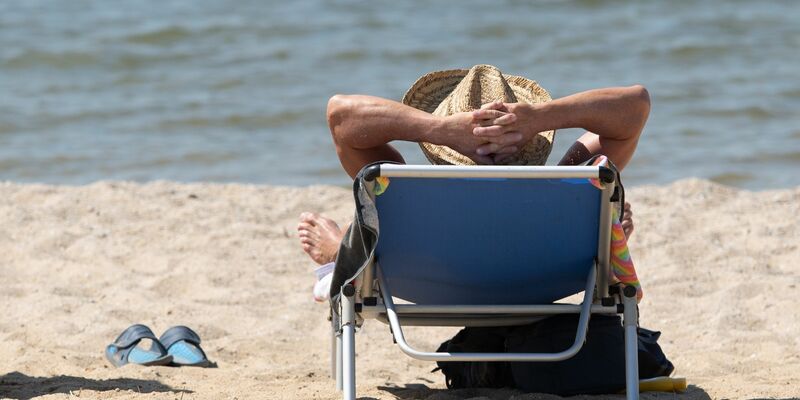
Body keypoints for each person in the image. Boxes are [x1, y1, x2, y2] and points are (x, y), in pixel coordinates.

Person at [298, 65, 648, 266]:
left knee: (379, 210)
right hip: (543, 284)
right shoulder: (571, 183)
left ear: (443, 147)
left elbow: (340, 116)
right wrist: (543, 117)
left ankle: (339, 252)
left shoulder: (404, 192)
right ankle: (601, 241)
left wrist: (437, 129)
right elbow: (637, 106)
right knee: (597, 204)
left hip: (431, 285)